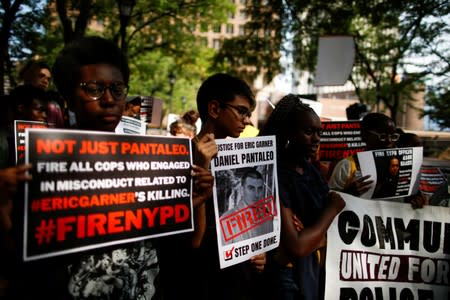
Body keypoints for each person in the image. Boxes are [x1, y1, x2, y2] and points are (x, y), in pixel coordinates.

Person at [4, 36, 213, 300]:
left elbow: (190, 245)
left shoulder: (154, 165)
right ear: (69, 95)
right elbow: (19, 263)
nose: (108, 99)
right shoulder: (43, 165)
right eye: (93, 88)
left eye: (117, 89)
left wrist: (197, 202)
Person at [158, 73, 266, 300]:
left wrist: (256, 250)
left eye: (249, 114)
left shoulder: (240, 161)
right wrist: (201, 168)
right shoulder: (177, 159)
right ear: (215, 109)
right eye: (242, 111)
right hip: (194, 282)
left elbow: (246, 221)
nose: (247, 121)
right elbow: (194, 242)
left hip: (233, 280)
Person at [258, 94, 345, 300]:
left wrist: (314, 234)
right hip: (286, 278)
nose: (316, 139)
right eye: (308, 131)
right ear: (288, 132)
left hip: (314, 270)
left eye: (319, 132)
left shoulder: (310, 170)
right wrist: (330, 211)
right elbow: (298, 246)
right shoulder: (275, 174)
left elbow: (319, 235)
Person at [328, 112, 425, 207]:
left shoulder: (402, 165)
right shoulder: (347, 165)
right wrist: (348, 193)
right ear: (364, 136)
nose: (389, 141)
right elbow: (329, 201)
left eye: (393, 136)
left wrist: (416, 199)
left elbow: (410, 198)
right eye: (382, 136)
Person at [219, 168, 273, 244]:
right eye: (251, 188)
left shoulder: (267, 218)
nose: (256, 194)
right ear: (241, 190)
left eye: (260, 189)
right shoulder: (225, 221)